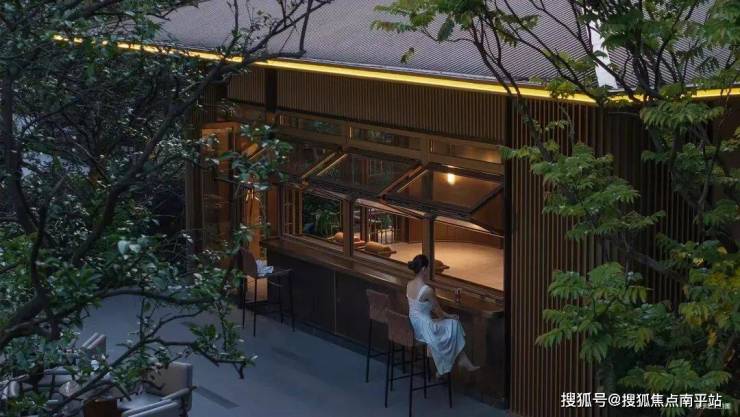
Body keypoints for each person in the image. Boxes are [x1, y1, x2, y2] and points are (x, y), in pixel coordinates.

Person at [406, 254, 479, 375]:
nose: (429, 270)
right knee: (454, 324)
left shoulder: (409, 284)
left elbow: (429, 310)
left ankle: (461, 360)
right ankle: (446, 365)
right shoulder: (427, 290)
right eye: (428, 268)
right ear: (424, 269)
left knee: (452, 325)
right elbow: (438, 312)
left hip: (415, 326)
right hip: (426, 329)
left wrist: (445, 317)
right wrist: (450, 316)